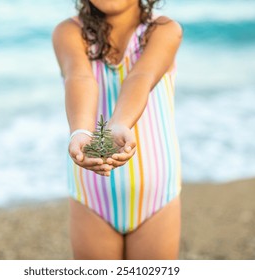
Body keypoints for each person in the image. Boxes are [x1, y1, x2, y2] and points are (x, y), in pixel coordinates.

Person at [52, 0, 183, 260]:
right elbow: (79, 77)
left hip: (156, 190)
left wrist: (119, 124)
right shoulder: (68, 32)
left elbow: (141, 77)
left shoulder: (164, 30)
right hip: (92, 193)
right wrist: (81, 131)